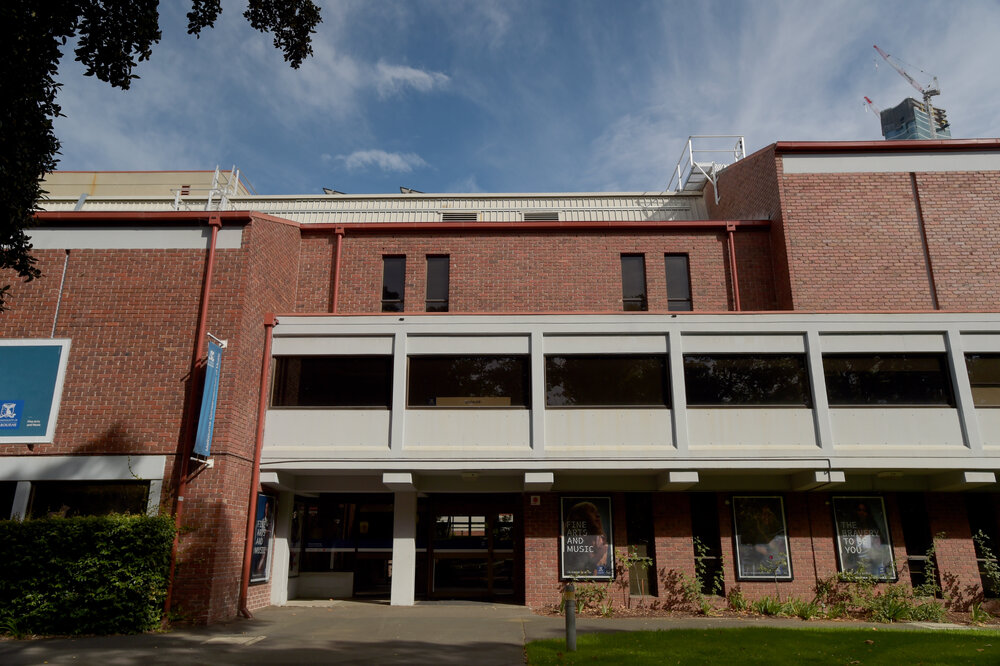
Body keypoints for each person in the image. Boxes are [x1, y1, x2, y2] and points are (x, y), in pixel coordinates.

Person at [563, 501, 610, 577]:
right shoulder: (572, 547)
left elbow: (601, 574)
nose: (597, 516)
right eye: (591, 511)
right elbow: (578, 570)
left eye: (597, 512)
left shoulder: (604, 546)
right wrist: (599, 556)